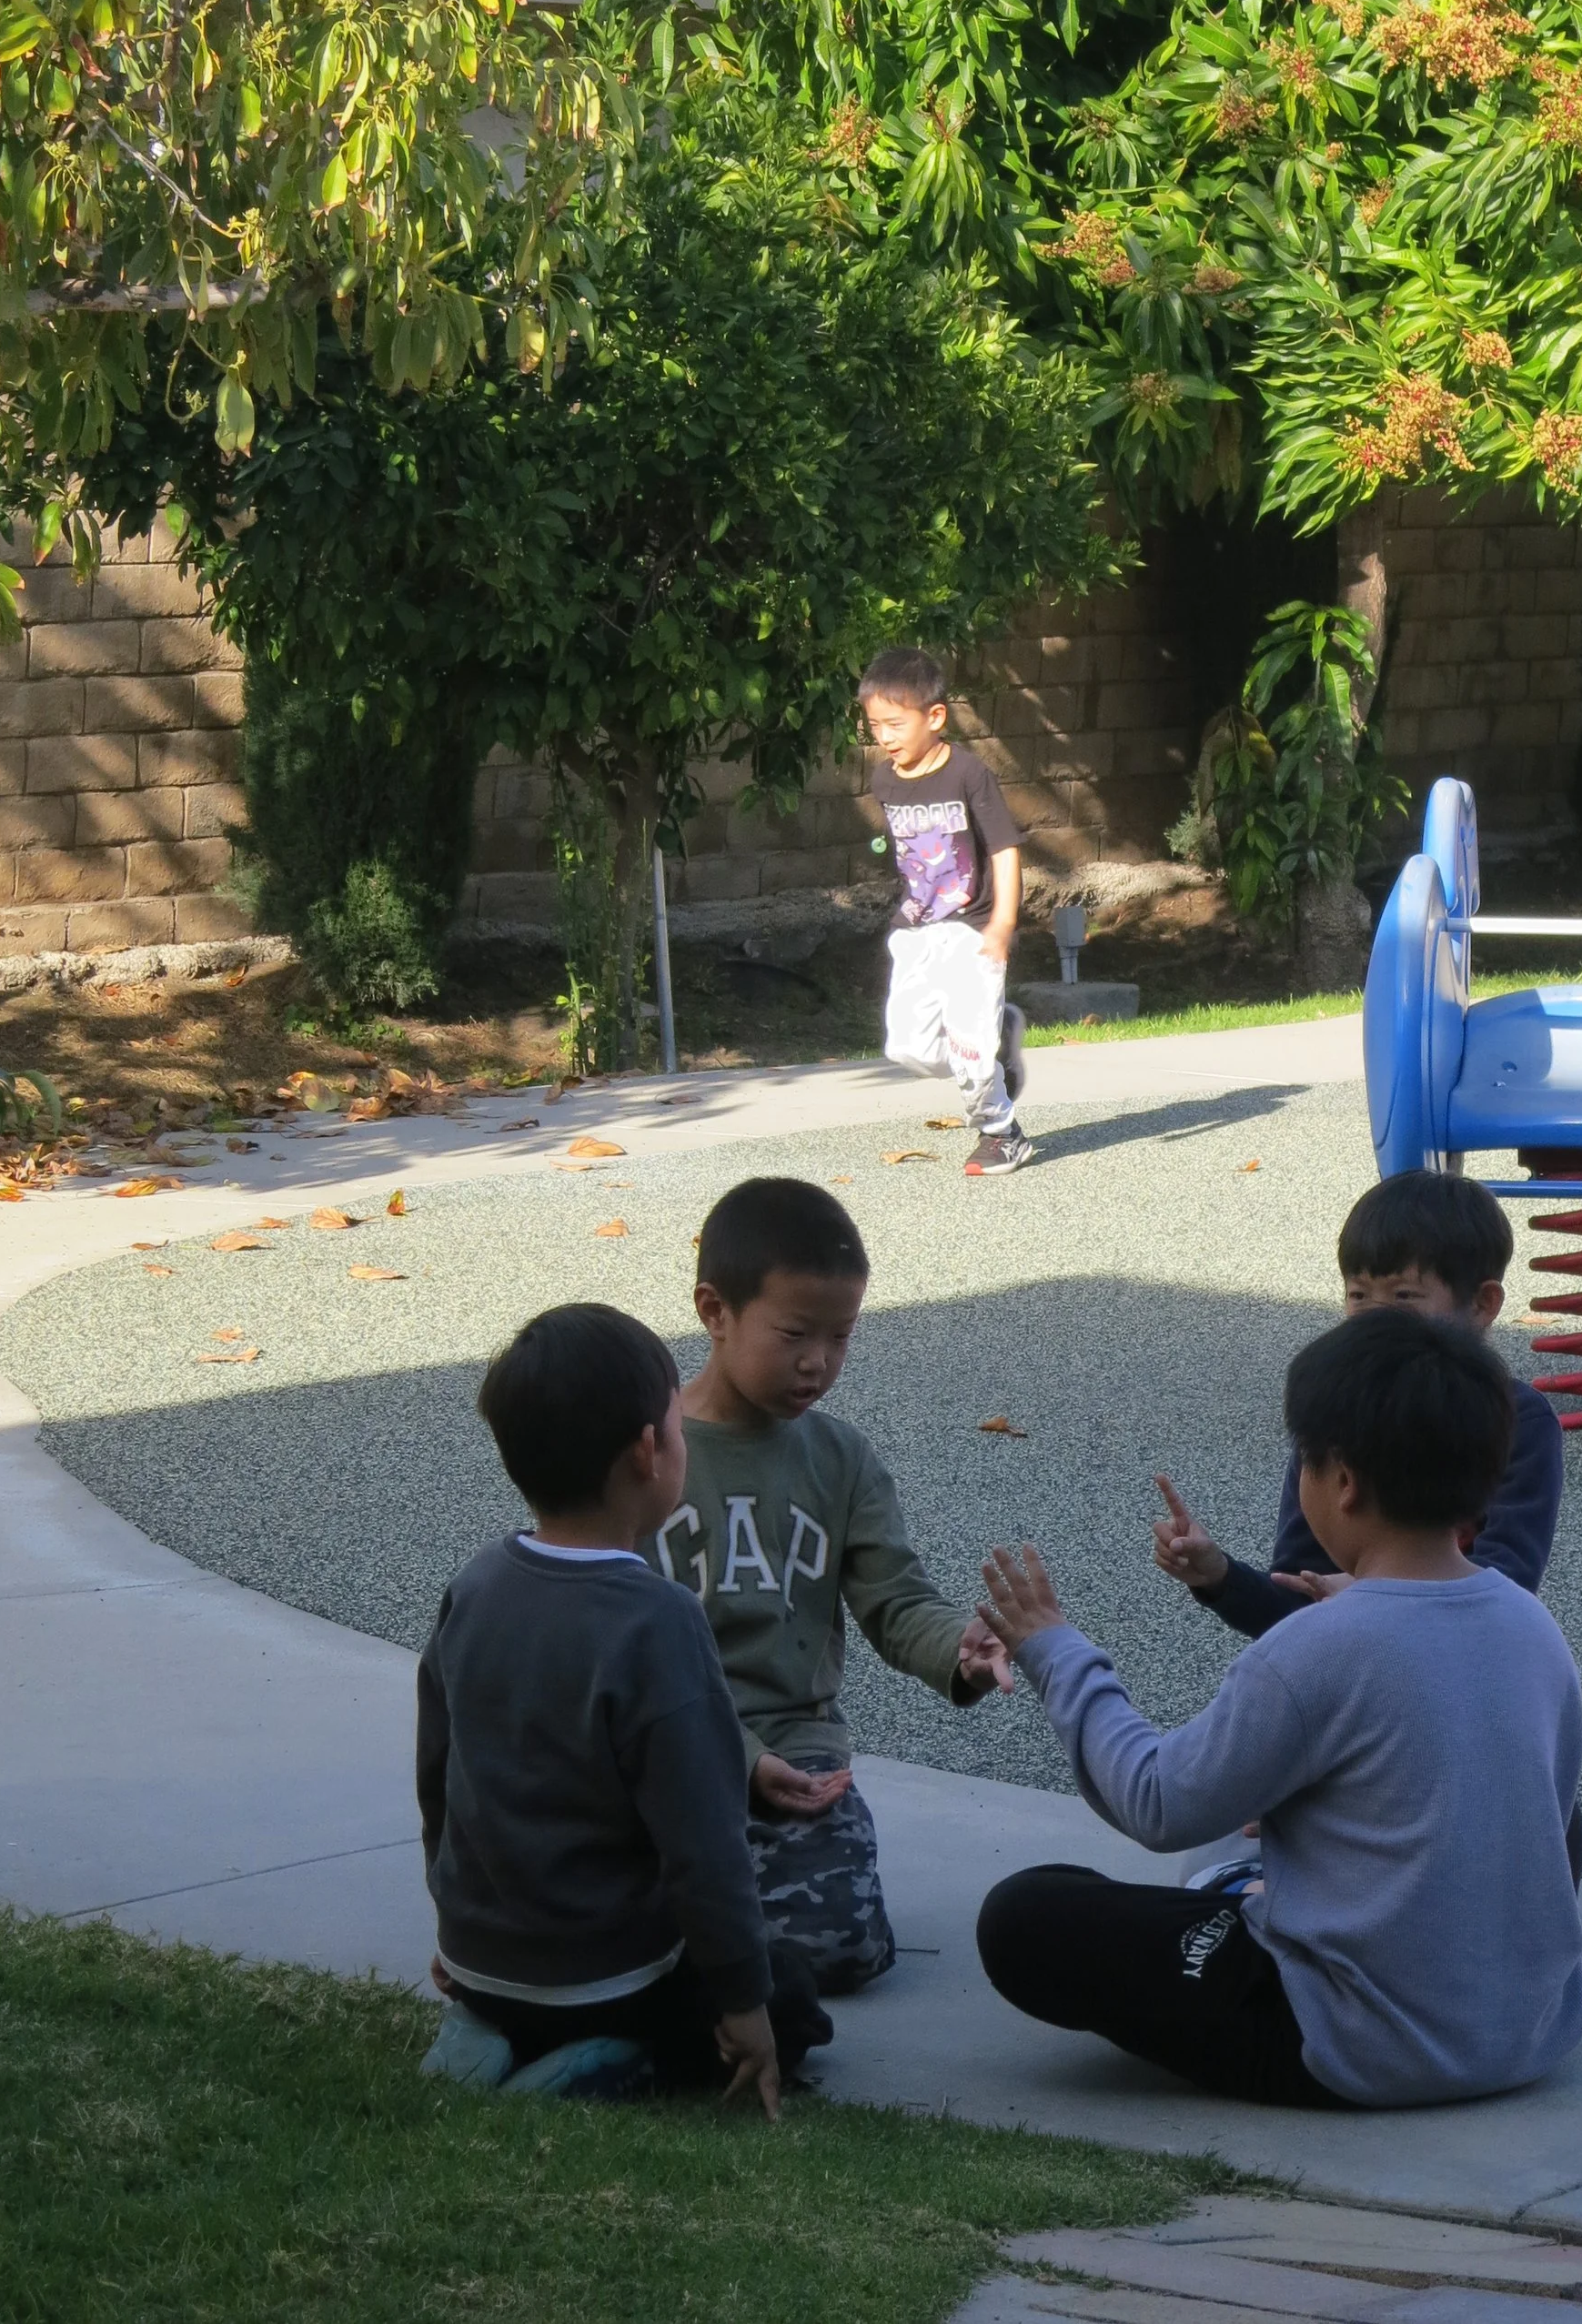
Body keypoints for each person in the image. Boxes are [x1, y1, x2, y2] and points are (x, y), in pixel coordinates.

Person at [973, 1311, 1582, 2108]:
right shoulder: (1534, 1627)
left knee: (1030, 1913)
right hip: (1527, 2033)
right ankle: (1254, 1890)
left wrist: (1056, 1651)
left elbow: (1159, 1800)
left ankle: (1242, 1894)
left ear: (1344, 1481)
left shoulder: (1319, 1646)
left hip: (1355, 2043)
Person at [415, 1300, 829, 2111]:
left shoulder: (476, 1585)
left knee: (529, 1992)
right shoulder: (658, 1621)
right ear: (649, 1451)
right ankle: (608, 2062)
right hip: (608, 1977)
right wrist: (745, 2006)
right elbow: (703, 1841)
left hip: (482, 1959)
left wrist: (454, 1924)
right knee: (793, 1996)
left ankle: (489, 2032)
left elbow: (438, 1771)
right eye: (677, 1426)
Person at [657, 1176, 1013, 1992]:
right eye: (793, 1332)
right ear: (715, 1311)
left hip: (798, 1748)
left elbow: (897, 1600)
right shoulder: (649, 1451)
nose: (819, 1360)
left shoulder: (842, 1460)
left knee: (841, 1947)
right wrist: (733, 1760)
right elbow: (613, 1642)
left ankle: (707, 1931)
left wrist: (959, 1645)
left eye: (842, 1335)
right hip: (664, 1739)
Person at [1151, 1168, 1560, 1620]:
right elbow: (1295, 1597)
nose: (1373, 1318)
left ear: (1482, 1304)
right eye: (1358, 1295)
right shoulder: (1336, 1415)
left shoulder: (1517, 1422)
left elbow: (1506, 1589)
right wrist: (1219, 1576)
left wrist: (1374, 1592)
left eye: (1403, 1295)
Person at [859, 641, 1033, 1177]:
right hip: (916, 930)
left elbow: (1004, 848)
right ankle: (1001, 1035)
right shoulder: (885, 780)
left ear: (934, 717)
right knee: (908, 1048)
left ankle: (1001, 1132)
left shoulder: (968, 775)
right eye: (874, 727)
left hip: (974, 928)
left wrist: (1003, 923)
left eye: (894, 724)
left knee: (970, 1053)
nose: (884, 738)